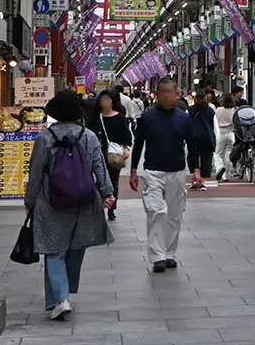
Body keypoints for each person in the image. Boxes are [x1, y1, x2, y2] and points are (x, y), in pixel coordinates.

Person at [25, 91, 116, 319]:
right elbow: (99, 167)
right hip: (84, 200)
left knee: (54, 250)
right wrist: (107, 192)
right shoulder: (89, 136)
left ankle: (61, 297)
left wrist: (31, 200)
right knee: (76, 247)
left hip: (51, 200)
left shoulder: (45, 138)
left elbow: (35, 173)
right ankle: (64, 294)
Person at [128, 78, 200, 273]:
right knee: (156, 211)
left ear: (176, 94)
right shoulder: (148, 117)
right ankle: (157, 256)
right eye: (163, 92)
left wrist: (196, 170)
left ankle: (170, 254)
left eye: (170, 91)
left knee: (175, 215)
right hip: (153, 171)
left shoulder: (183, 118)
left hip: (177, 171)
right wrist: (134, 169)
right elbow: (139, 144)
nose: (167, 95)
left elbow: (192, 145)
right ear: (157, 94)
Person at [90, 90, 132, 222]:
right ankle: (99, 207)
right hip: (98, 154)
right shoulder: (96, 118)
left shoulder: (119, 118)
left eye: (107, 100)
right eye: (102, 100)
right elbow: (90, 133)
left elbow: (126, 135)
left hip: (114, 155)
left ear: (112, 101)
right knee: (98, 181)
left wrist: (126, 147)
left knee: (113, 182)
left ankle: (111, 208)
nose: (105, 102)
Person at [186, 88, 217, 190]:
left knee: (193, 158)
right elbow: (215, 126)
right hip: (207, 137)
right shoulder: (211, 110)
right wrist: (215, 139)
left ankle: (196, 178)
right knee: (206, 159)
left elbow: (185, 124)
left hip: (193, 137)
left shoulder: (190, 110)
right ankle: (202, 182)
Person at [214, 92, 237, 181]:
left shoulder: (218, 110)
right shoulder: (235, 110)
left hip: (220, 133)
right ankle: (226, 176)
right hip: (231, 134)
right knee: (228, 154)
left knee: (217, 154)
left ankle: (220, 168)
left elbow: (214, 121)